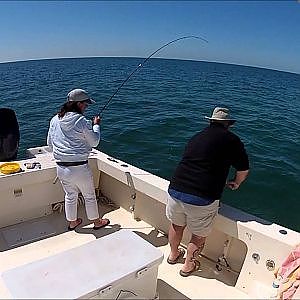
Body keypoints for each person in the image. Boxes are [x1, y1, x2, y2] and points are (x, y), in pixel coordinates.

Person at [166, 107, 249, 277]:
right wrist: (236, 182)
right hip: (202, 197)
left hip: (176, 189)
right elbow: (243, 168)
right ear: (228, 124)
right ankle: (188, 266)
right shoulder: (232, 140)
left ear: (210, 121)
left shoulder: (197, 136)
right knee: (197, 235)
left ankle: (173, 256)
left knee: (176, 225)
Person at [47, 88, 110, 230]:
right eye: (86, 104)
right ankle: (97, 222)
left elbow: (50, 144)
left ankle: (72, 222)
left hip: (61, 168)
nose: (86, 107)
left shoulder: (54, 119)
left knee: (70, 195)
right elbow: (94, 142)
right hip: (80, 168)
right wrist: (96, 125)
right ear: (79, 104)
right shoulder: (82, 121)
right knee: (89, 196)